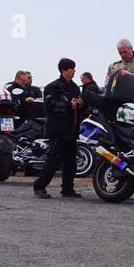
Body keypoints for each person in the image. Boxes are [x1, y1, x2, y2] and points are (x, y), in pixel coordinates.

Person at [33, 58, 83, 199]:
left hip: (71, 130)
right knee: (53, 160)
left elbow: (78, 105)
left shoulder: (74, 87)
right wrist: (69, 105)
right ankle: (39, 187)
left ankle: (67, 189)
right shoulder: (52, 87)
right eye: (71, 68)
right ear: (64, 70)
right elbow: (49, 107)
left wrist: (81, 103)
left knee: (71, 161)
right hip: (58, 129)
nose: (74, 71)